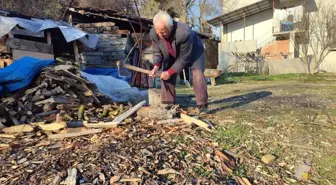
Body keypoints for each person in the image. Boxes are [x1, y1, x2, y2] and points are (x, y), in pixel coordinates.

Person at [149, 11, 208, 112]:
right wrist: (156, 66)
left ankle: (202, 105)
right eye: (158, 31)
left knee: (197, 75)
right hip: (171, 53)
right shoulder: (154, 33)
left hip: (194, 52)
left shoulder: (184, 33)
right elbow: (157, 52)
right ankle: (168, 103)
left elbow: (183, 58)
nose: (160, 35)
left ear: (171, 27)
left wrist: (170, 72)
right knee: (165, 72)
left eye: (163, 32)